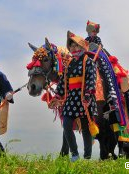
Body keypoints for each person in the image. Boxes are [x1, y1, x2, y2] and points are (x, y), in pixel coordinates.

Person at [49, 31, 98, 161]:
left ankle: (87, 157)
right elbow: (63, 82)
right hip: (71, 99)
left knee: (86, 130)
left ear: (82, 47)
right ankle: (75, 154)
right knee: (66, 125)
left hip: (84, 98)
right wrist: (57, 96)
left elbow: (91, 79)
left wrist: (87, 95)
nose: (74, 49)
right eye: (72, 46)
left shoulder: (89, 62)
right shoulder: (69, 64)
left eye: (77, 46)